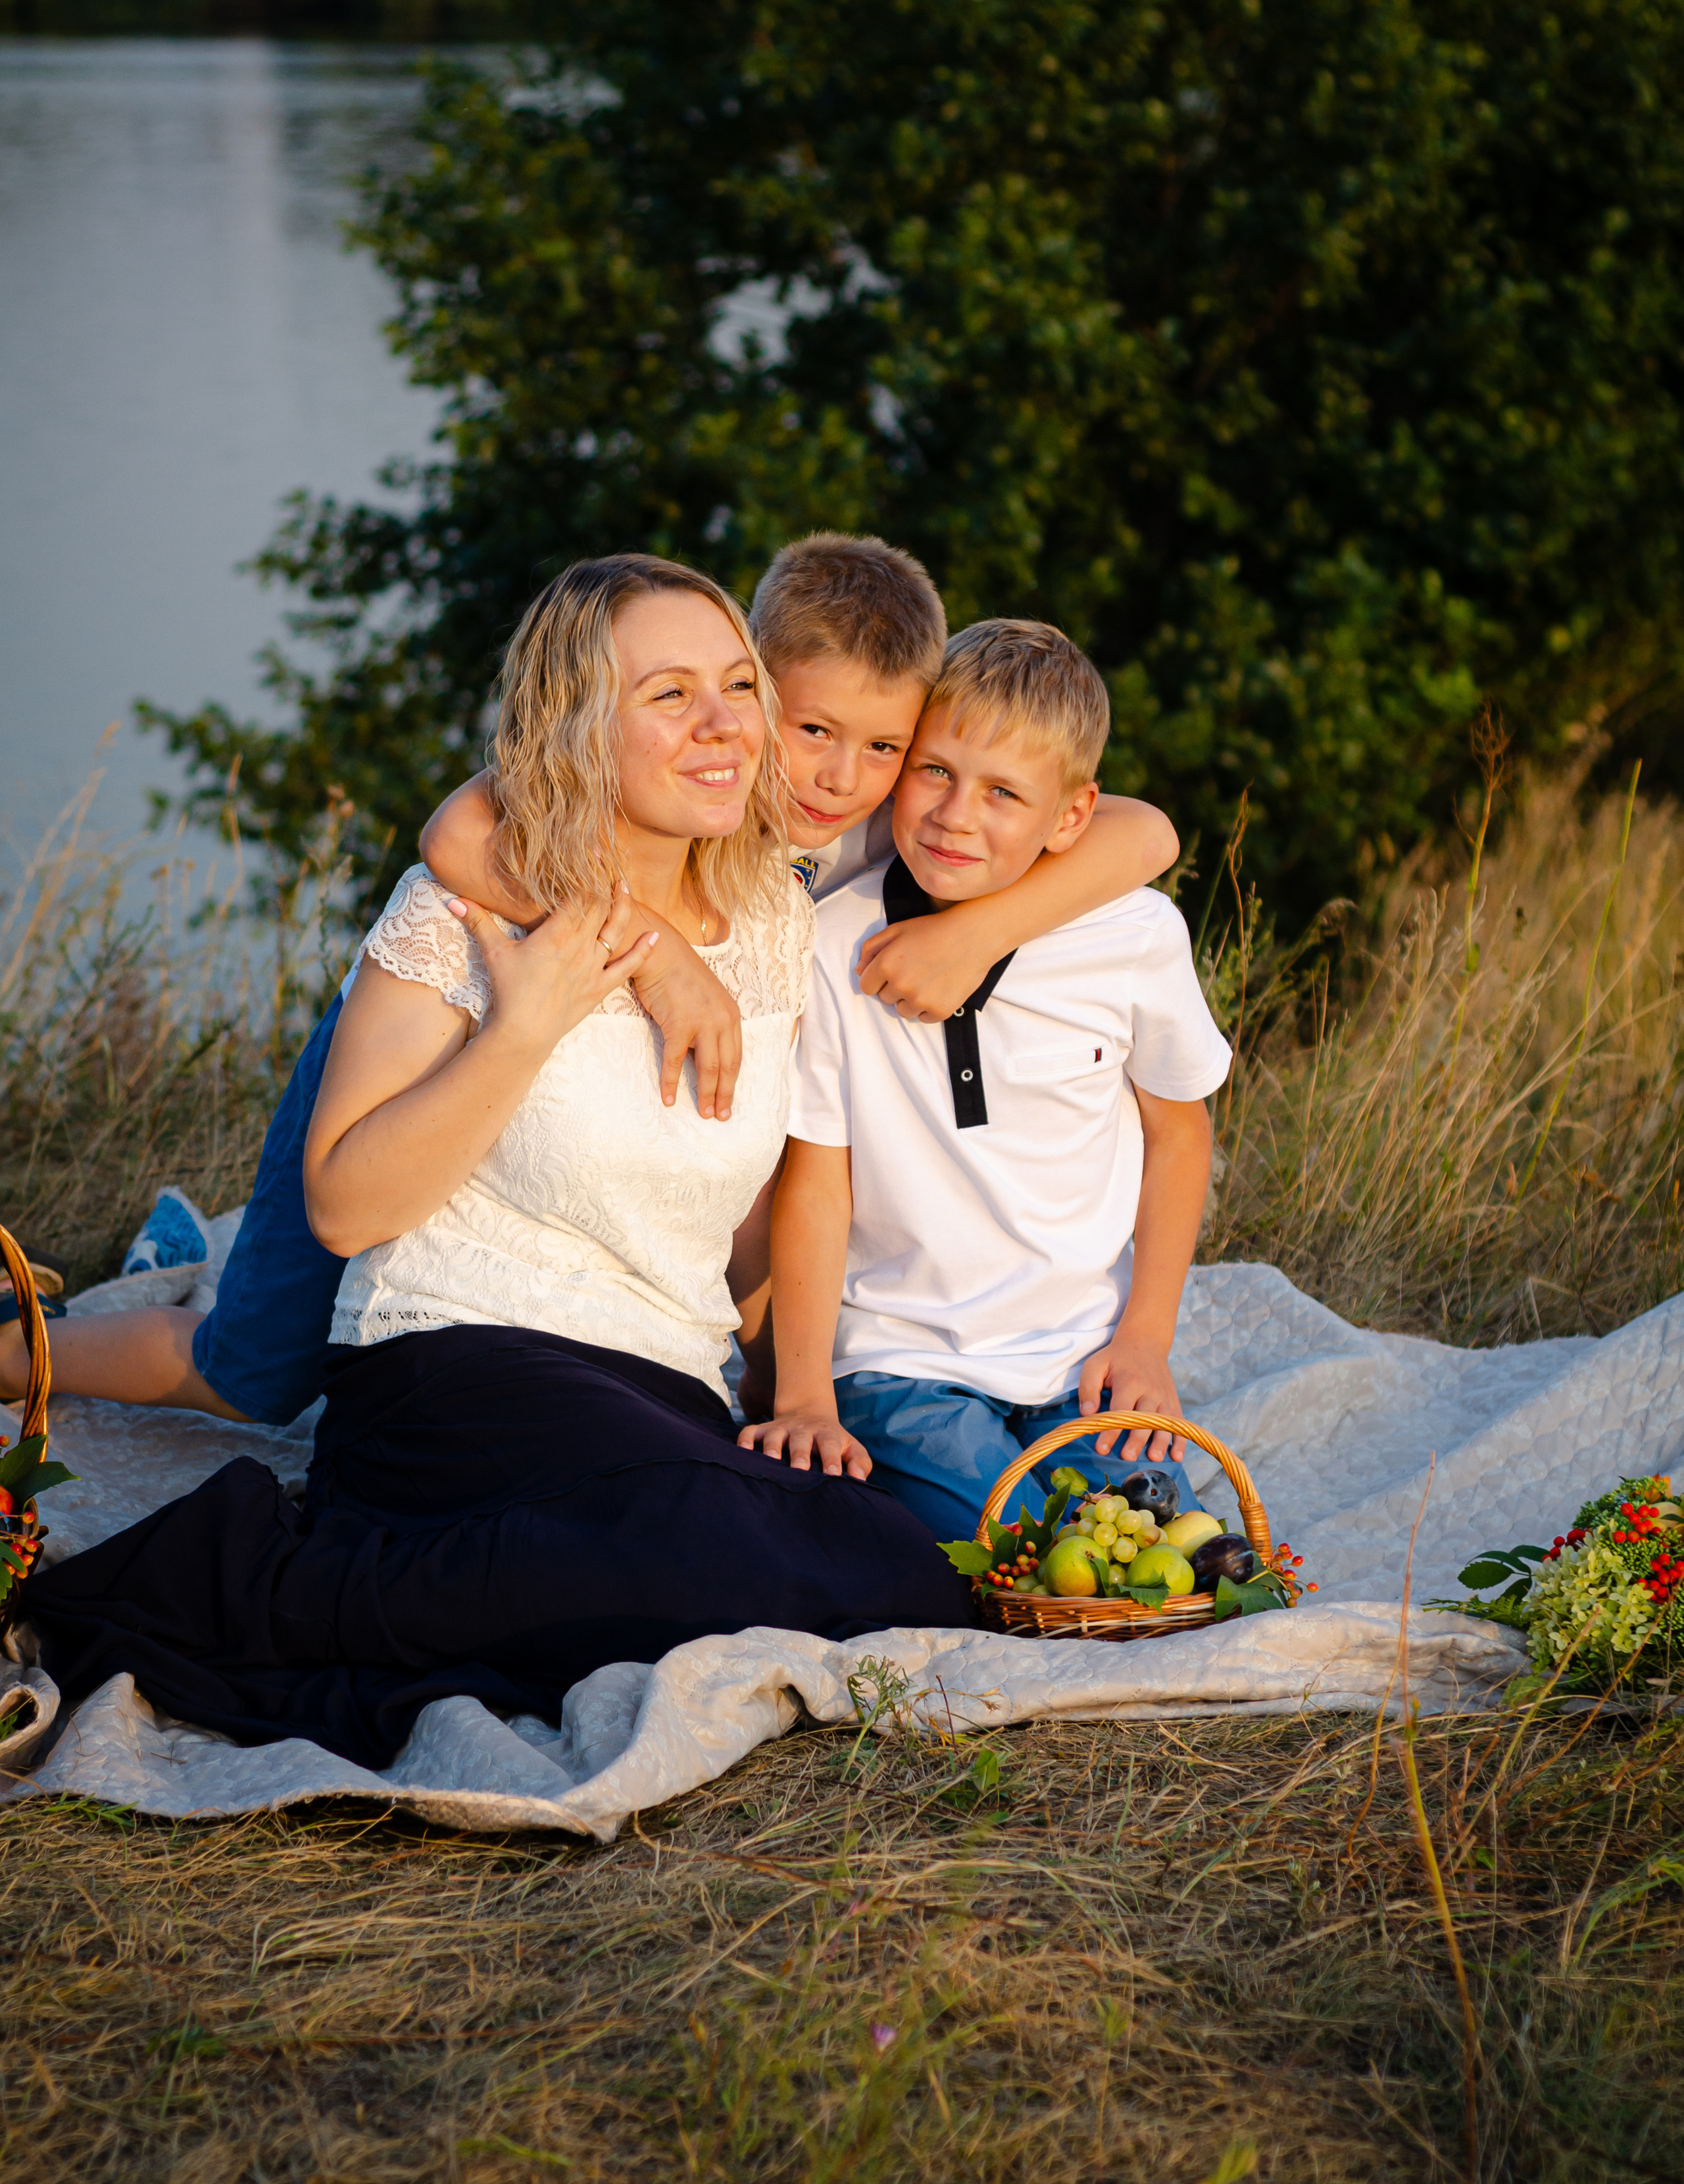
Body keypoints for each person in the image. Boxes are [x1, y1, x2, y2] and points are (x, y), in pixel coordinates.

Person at [26, 557, 972, 1770]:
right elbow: (344, 1203)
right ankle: (251, 1582)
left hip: (656, 1387)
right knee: (705, 1531)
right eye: (671, 694)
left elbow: (723, 1231)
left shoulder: (778, 923)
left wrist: (804, 1370)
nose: (727, 722)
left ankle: (528, 1576)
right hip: (460, 1366)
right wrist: (523, 1027)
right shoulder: (467, 903)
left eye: (739, 684)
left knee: (890, 1558)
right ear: (582, 721)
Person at [5, 533, 1178, 1428]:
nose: (839, 776)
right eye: (810, 729)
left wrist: (981, 935)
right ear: (751, 685)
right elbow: (457, 832)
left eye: (884, 748)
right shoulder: (705, 760)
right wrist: (661, 956)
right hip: (434, 1033)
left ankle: (176, 1279)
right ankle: (33, 1347)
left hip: (624, 1145)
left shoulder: (885, 822)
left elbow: (1143, 833)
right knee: (252, 1371)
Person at [743, 618, 1233, 1540]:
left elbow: (1181, 1133)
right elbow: (817, 1179)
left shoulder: (1133, 936)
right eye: (934, 770)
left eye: (1004, 791)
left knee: (1175, 1552)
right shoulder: (831, 938)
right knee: (1011, 1552)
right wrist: (806, 1391)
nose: (955, 814)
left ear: (1072, 816)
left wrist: (1145, 1341)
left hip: (1082, 1360)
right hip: (897, 1361)